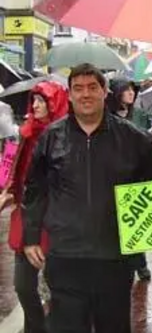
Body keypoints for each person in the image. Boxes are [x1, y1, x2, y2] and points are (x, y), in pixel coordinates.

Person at [22, 63, 152, 333]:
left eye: (93, 87)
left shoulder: (132, 138)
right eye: (78, 88)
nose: (86, 94)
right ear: (69, 95)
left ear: (105, 92)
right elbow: (35, 189)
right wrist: (31, 236)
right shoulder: (51, 137)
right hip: (66, 256)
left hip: (114, 259)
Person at [7, 81, 69, 333]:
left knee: (58, 287)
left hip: (56, 221)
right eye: (34, 101)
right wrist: (6, 190)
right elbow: (8, 166)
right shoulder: (23, 132)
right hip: (25, 216)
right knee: (23, 285)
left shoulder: (66, 138)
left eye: (42, 101)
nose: (35, 106)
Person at [107, 77, 152, 281]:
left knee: (136, 221)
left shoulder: (141, 115)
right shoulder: (108, 116)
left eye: (132, 90)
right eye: (126, 90)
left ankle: (140, 263)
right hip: (115, 173)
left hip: (138, 172)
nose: (131, 93)